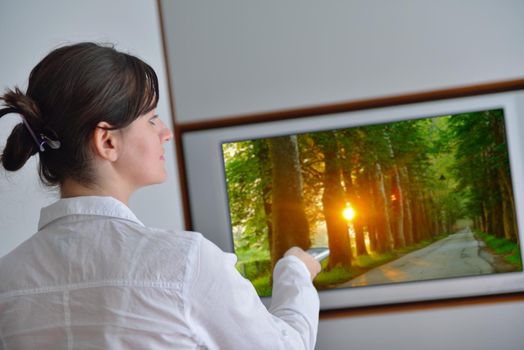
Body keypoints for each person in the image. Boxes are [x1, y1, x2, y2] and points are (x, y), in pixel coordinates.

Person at [0, 42, 322, 349]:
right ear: (107, 142)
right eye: (152, 118)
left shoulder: (7, 280)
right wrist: (294, 271)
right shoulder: (185, 264)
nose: (165, 132)